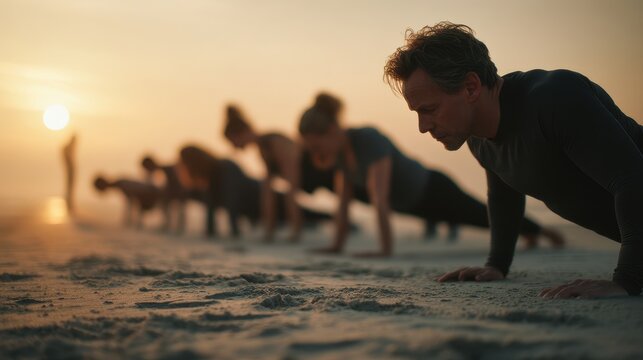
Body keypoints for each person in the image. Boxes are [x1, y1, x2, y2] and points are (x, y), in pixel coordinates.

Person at [384, 22, 642, 297]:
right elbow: (504, 193)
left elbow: (632, 180)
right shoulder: (477, 137)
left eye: (430, 109)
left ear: (471, 87)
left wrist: (626, 280)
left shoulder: (555, 97)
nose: (423, 127)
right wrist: (497, 264)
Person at [298, 92, 561, 258]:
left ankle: (543, 232)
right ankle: (530, 233)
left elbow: (379, 197)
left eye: (316, 145)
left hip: (434, 190)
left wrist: (384, 251)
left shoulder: (368, 139)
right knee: (483, 220)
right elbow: (343, 203)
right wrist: (336, 245)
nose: (314, 152)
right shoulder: (341, 159)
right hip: (414, 206)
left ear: (333, 129)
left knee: (482, 215)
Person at [177, 145, 333, 239]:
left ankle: (343, 222)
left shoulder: (225, 166)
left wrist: (234, 233)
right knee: (303, 219)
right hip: (256, 211)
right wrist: (210, 232)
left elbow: (233, 201)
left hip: (267, 199)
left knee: (310, 215)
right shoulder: (209, 177)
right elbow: (210, 205)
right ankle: (335, 222)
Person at [223, 105, 302, 242]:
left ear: (241, 133)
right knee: (266, 189)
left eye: (232, 141)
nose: (234, 146)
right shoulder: (263, 147)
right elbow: (268, 188)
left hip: (309, 175)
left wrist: (295, 232)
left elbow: (292, 184)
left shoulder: (274, 142)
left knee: (281, 191)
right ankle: (269, 231)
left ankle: (295, 230)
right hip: (294, 178)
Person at [93, 175, 162, 229]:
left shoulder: (121, 184)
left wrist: (131, 220)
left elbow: (133, 200)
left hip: (151, 193)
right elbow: (132, 201)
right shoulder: (120, 184)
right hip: (150, 192)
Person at [141, 155, 188, 233]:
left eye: (148, 168)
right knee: (171, 207)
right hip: (177, 192)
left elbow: (174, 183)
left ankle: (176, 227)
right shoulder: (165, 169)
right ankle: (173, 227)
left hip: (179, 191)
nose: (148, 171)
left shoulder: (167, 169)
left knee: (176, 208)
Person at [62, 133, 77, 214]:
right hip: (70, 171)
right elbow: (69, 161)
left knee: (70, 187)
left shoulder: (68, 147)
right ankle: (69, 203)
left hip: (71, 171)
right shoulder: (67, 147)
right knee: (69, 187)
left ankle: (69, 203)